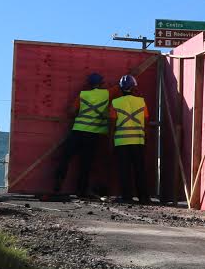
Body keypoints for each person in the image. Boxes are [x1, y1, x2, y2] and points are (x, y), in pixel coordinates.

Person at [51, 73, 108, 199]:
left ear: (89, 83)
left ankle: (58, 183)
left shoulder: (83, 94)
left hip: (78, 131)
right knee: (85, 163)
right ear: (101, 83)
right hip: (93, 134)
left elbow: (71, 111)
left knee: (65, 157)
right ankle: (81, 190)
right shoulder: (107, 94)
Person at [109, 73, 149, 204]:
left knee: (124, 170)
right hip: (138, 141)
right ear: (134, 88)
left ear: (120, 88)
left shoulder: (115, 102)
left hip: (121, 142)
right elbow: (146, 121)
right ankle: (144, 197)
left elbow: (112, 123)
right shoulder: (141, 102)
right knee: (140, 169)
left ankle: (127, 197)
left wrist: (111, 141)